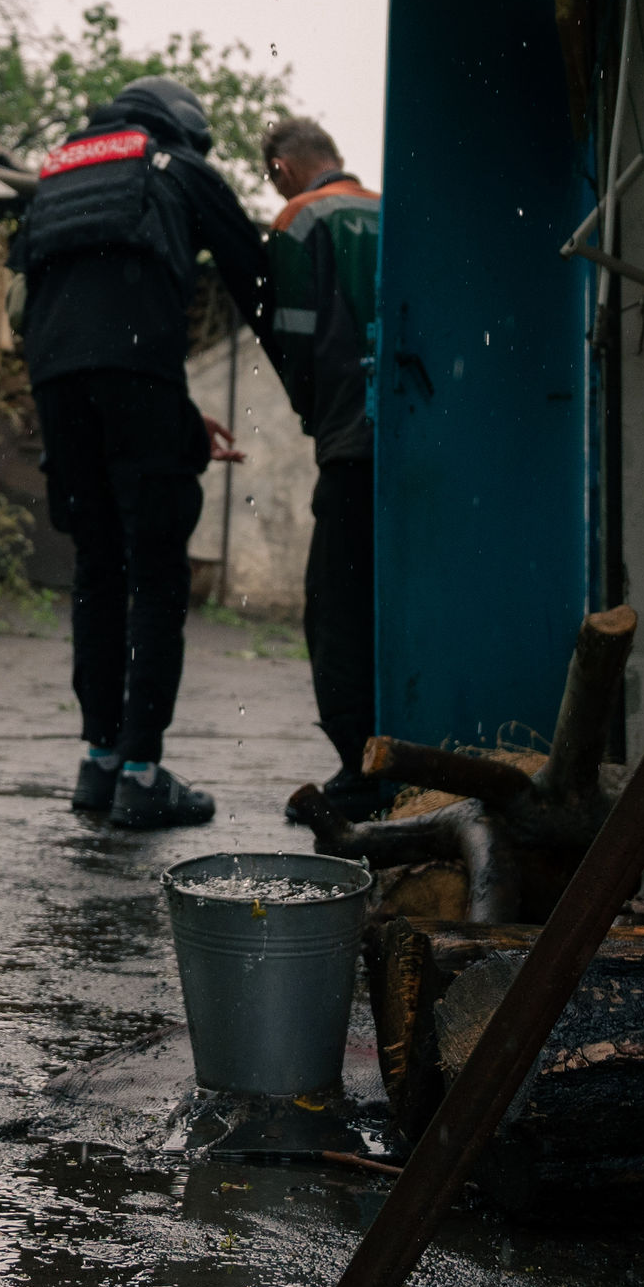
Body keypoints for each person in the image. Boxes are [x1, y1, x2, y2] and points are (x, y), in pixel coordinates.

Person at [12, 76, 271, 832]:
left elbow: (64, 315)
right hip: (136, 380)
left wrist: (184, 424)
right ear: (185, 128)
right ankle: (141, 773)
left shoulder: (58, 175)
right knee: (157, 575)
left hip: (56, 383)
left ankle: (97, 763)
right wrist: (313, 392)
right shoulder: (175, 169)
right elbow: (255, 279)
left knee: (97, 569)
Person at [254, 116, 384, 816]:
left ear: (281, 166)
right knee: (389, 603)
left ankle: (358, 772)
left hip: (347, 442)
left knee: (334, 610)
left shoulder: (300, 219)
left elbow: (293, 340)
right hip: (405, 444)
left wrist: (313, 414)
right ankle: (396, 754)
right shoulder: (393, 210)